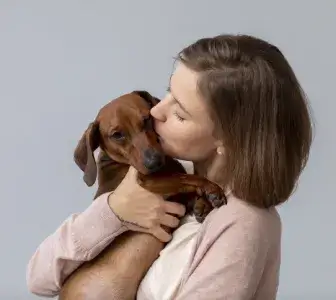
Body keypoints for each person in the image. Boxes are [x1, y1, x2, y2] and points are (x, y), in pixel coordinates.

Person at [26, 34, 313, 300]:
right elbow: (38, 279)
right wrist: (113, 211)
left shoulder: (242, 222)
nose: (155, 111)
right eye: (167, 93)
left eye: (179, 113)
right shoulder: (156, 182)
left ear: (226, 137)